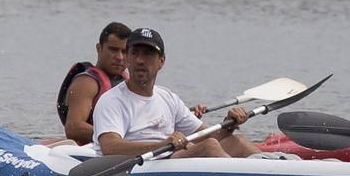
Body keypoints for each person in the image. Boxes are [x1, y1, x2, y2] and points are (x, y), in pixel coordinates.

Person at [89, 27, 259, 159]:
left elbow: (207, 135)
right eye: (135, 53)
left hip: (170, 160)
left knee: (237, 141)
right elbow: (110, 148)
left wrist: (229, 124)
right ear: (127, 59)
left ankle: (275, 169)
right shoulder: (111, 100)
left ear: (161, 61)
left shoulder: (168, 98)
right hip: (140, 170)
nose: (140, 60)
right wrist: (160, 145)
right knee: (210, 146)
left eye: (148, 54)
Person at [59, 22, 133, 145]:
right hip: (91, 152)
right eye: (113, 50)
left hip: (124, 147)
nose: (119, 57)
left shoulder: (130, 81)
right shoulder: (87, 83)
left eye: (124, 51)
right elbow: (73, 128)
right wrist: (113, 138)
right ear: (99, 48)